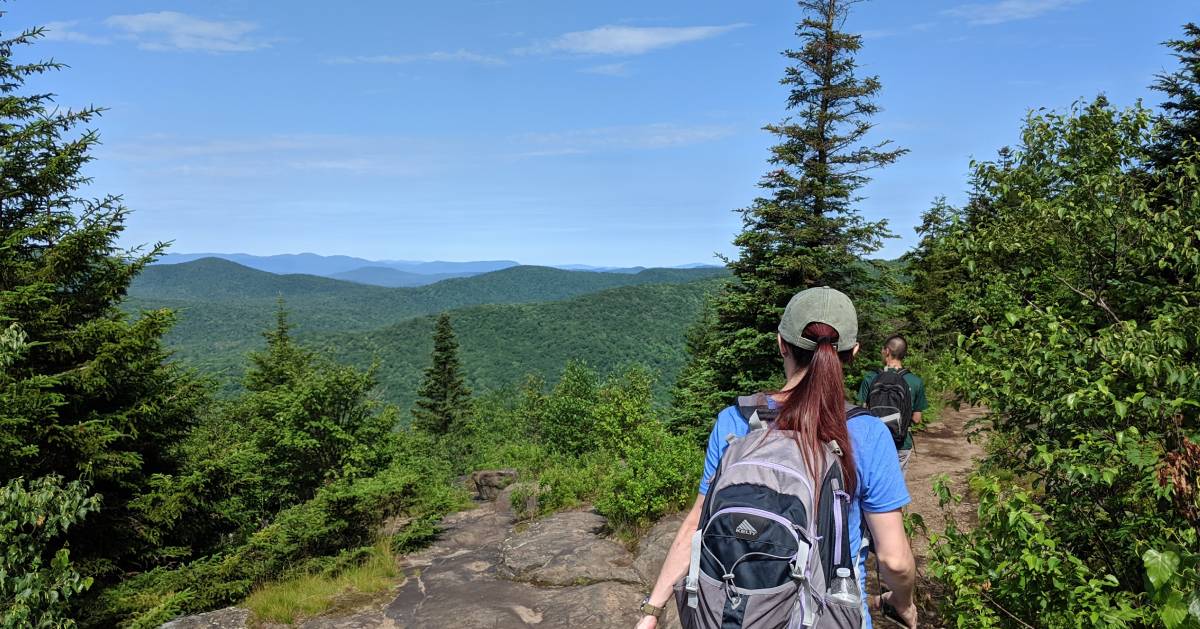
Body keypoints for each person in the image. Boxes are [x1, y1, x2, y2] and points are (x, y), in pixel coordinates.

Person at [636, 287, 917, 629]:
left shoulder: (735, 422)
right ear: (854, 352)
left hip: (733, 615)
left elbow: (697, 523)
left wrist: (653, 610)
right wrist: (904, 603)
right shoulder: (869, 434)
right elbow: (894, 560)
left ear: (781, 343)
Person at [858, 335, 927, 475]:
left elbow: (863, 413)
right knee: (896, 487)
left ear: (887, 351)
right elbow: (916, 419)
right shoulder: (915, 381)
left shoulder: (870, 378)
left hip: (875, 443)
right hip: (902, 443)